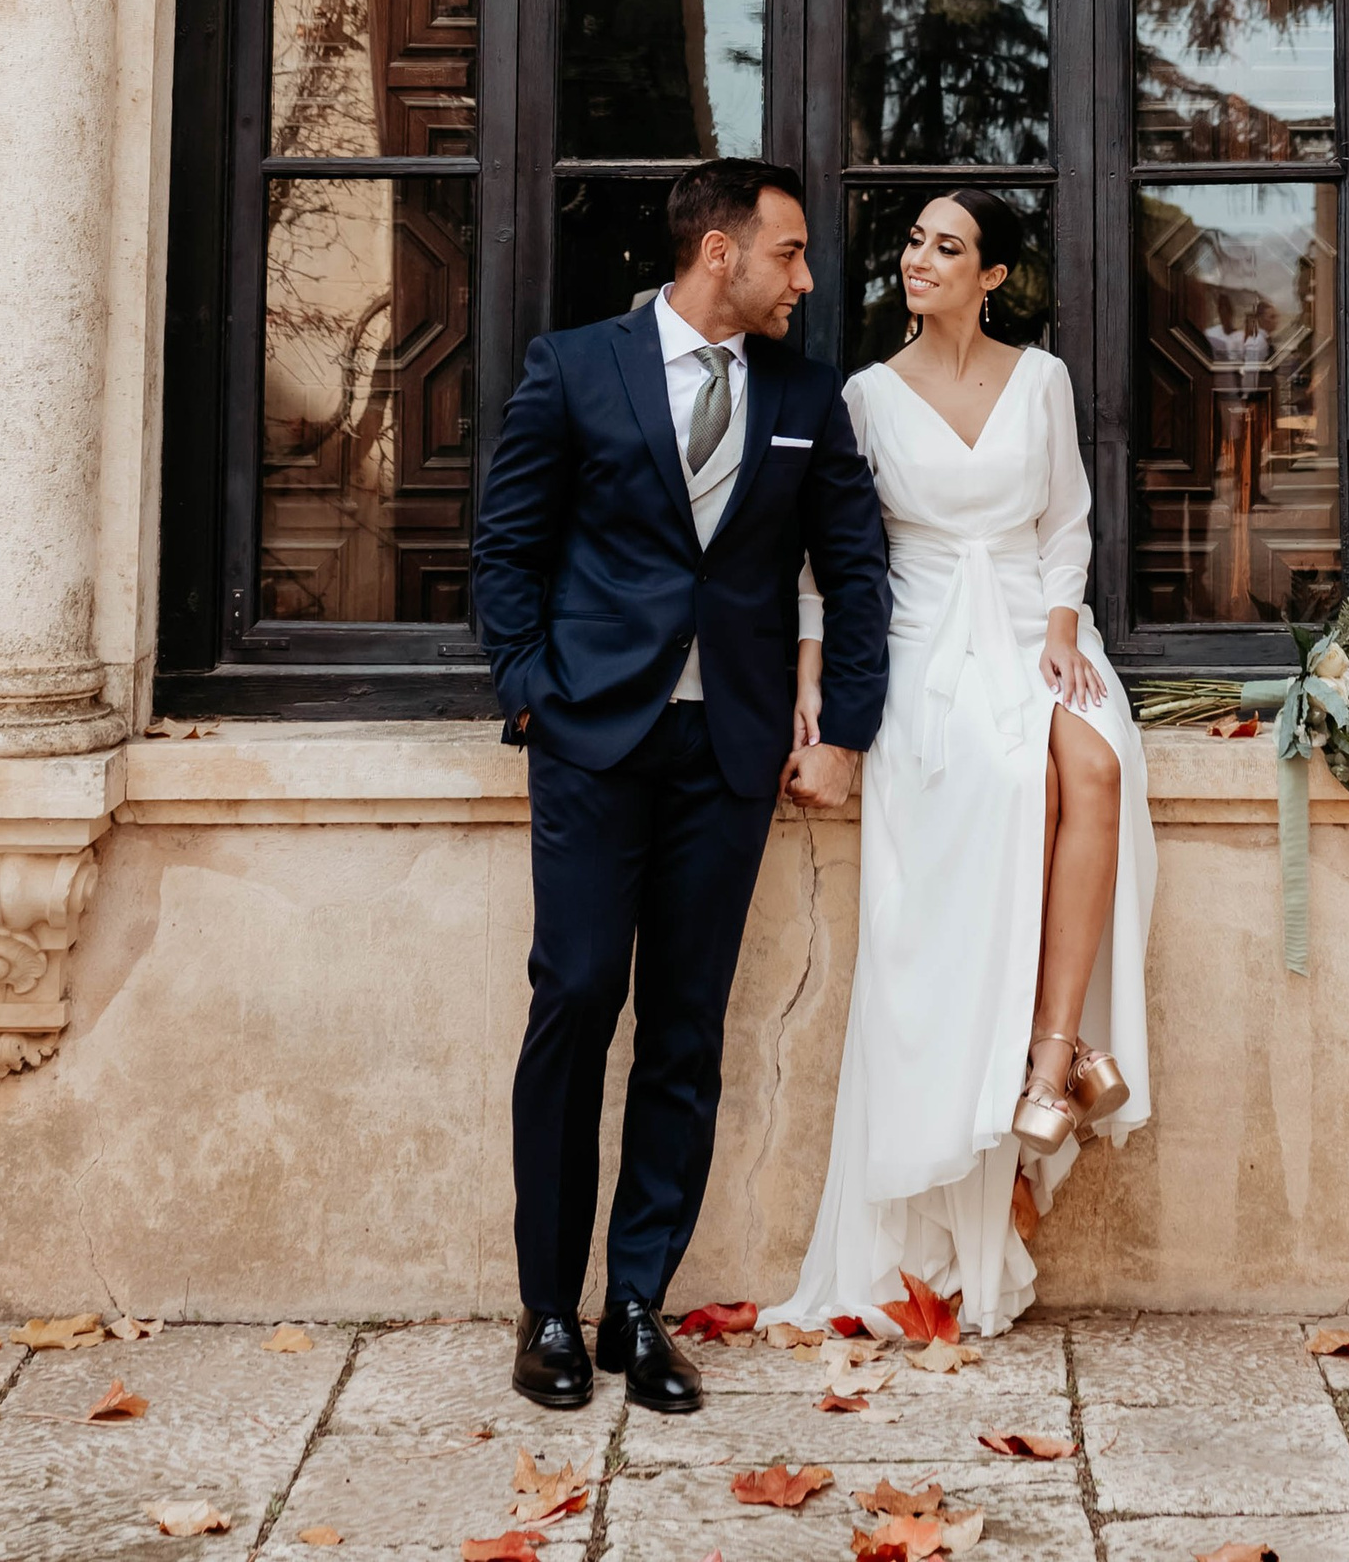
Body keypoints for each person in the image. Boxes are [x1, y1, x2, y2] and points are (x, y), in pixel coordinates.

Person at [473, 159, 892, 1418]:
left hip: (732, 753)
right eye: (791, 253)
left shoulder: (807, 396)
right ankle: (547, 1306)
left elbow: (856, 572)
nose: (805, 278)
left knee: (685, 1030)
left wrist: (848, 727)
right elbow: (507, 542)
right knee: (577, 996)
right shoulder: (574, 366)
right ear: (722, 253)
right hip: (593, 737)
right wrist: (530, 690)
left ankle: (636, 1307)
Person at [771, 190, 1155, 1339]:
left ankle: (1051, 1060)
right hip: (925, 642)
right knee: (1010, 791)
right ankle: (1020, 1089)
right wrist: (812, 678)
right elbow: (828, 553)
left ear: (992, 276)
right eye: (913, 243)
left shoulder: (1038, 379)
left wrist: (1061, 623)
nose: (918, 260)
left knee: (1095, 769)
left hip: (1033, 628)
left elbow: (1068, 517)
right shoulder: (865, 396)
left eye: (948, 247)